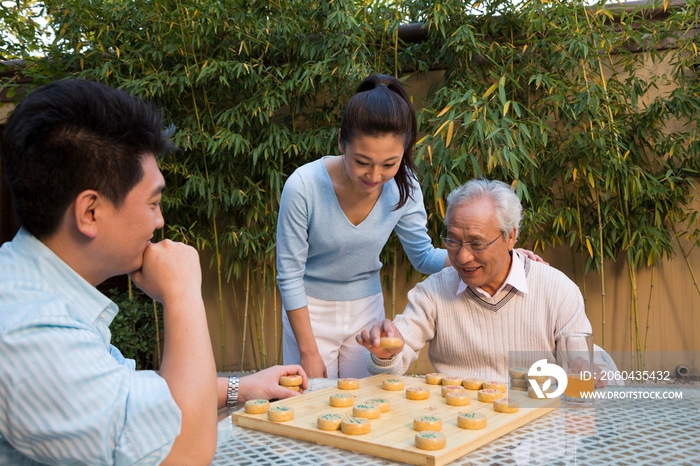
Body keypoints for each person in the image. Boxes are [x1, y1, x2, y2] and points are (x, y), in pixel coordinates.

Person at [0, 78, 307, 466]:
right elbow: (184, 453)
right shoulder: (32, 335)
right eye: (153, 203)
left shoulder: (29, 288)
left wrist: (242, 387)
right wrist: (182, 296)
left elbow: (123, 401)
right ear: (89, 213)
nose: (160, 222)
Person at [356, 178, 607, 385]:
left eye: (477, 243)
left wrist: (591, 376)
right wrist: (385, 356)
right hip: (460, 425)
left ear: (511, 237)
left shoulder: (558, 291)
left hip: (535, 428)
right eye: (453, 241)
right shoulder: (433, 292)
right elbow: (392, 366)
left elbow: (579, 369)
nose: (462, 257)